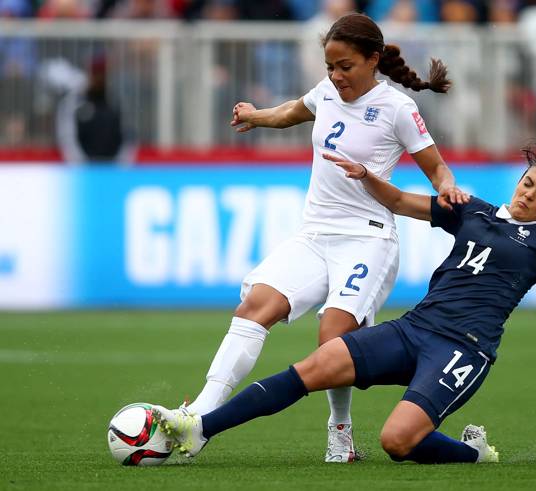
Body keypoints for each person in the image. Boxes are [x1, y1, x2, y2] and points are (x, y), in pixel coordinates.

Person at [152, 127, 536, 465]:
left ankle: (472, 451)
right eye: (529, 183)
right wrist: (367, 177)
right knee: (313, 367)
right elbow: (402, 202)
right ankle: (201, 429)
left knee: (397, 442)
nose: (530, 195)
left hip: (462, 349)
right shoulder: (474, 212)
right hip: (414, 328)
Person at [181, 12, 467, 463]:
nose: (336, 76)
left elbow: (436, 167)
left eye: (345, 66)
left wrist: (446, 187)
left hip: (367, 238)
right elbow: (292, 112)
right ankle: (198, 414)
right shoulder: (327, 92)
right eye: (329, 67)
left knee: (333, 337)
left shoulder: (397, 108)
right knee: (256, 305)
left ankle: (341, 433)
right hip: (314, 233)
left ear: (373, 60)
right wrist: (257, 117)